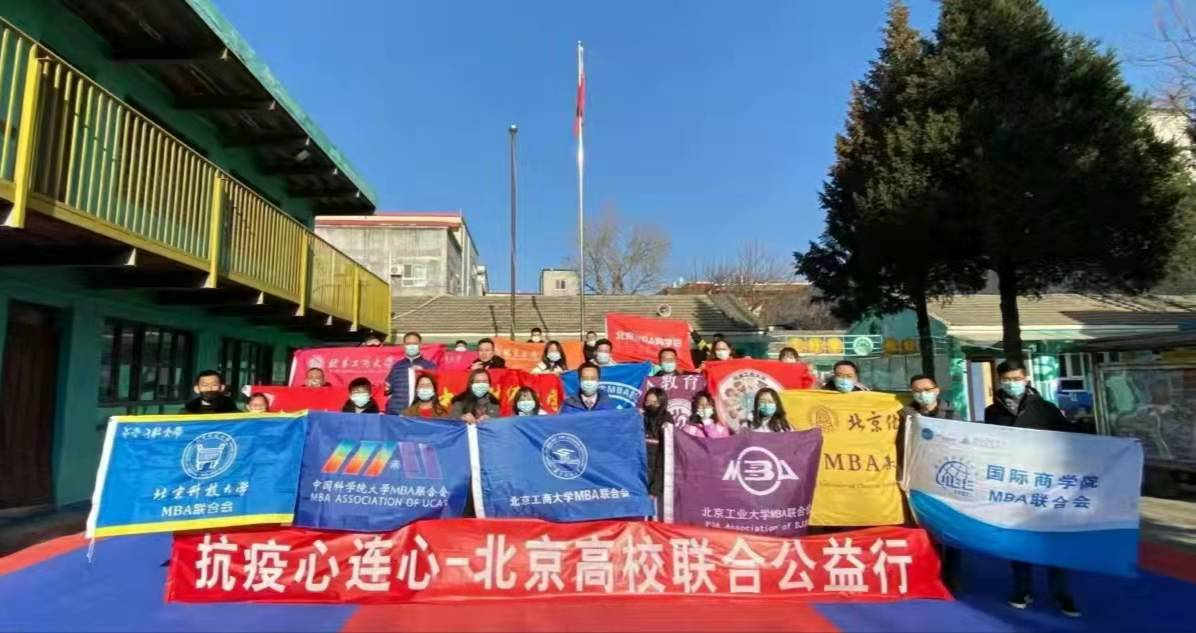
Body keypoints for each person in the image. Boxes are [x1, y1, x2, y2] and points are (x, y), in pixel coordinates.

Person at [984, 360, 1080, 617]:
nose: (1012, 383)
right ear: (1000, 381)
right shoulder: (993, 412)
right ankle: (1022, 589)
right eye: (1007, 379)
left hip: (1047, 485)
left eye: (1016, 378)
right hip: (1013, 485)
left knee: (1054, 540)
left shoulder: (1046, 409)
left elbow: (1070, 440)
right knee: (1018, 540)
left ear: (1026, 378)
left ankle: (1061, 594)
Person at [900, 374, 960, 591]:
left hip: (948, 479)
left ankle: (951, 577)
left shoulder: (954, 415)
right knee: (924, 529)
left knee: (950, 529)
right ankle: (927, 574)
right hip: (919, 479)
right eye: (917, 390)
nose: (922, 394)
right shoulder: (906, 416)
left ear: (936, 390)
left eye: (927, 389)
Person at [384, 332, 436, 415]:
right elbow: (388, 389)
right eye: (408, 344)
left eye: (414, 344)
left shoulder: (430, 366)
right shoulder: (397, 366)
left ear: (420, 345)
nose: (411, 346)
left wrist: (425, 372)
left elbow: (436, 389)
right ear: (404, 345)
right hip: (397, 412)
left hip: (419, 413)